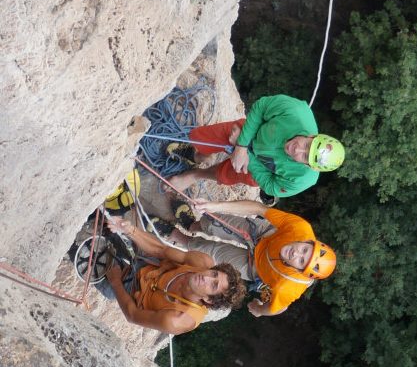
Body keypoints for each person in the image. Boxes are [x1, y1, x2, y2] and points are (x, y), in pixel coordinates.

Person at [170, 198, 336, 318]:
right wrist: (215, 205)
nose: (296, 253)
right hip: (265, 236)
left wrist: (259, 309)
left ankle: (178, 237)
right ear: (308, 241)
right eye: (305, 250)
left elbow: (277, 308)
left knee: (212, 252)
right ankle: (193, 225)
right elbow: (259, 209)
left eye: (301, 261)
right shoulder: (300, 228)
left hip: (257, 268)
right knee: (215, 223)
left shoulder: (288, 286)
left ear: (298, 271)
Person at [167, 94, 345, 199]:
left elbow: (271, 186)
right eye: (307, 144)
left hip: (260, 170)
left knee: (227, 174)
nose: (298, 149)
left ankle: (194, 175)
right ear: (313, 135)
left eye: (305, 156)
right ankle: (201, 155)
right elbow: (261, 107)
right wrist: (242, 144)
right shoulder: (297, 112)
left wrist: (247, 158)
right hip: (250, 133)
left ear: (308, 166)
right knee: (200, 137)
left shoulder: (303, 179)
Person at [103, 217, 246, 333]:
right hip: (151, 266)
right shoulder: (201, 262)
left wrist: (116, 282)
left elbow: (132, 314)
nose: (206, 277)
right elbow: (161, 250)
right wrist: (129, 230)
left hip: (132, 292)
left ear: (208, 300)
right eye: (214, 273)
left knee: (94, 264)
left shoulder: (176, 319)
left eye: (213, 285)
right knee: (108, 227)